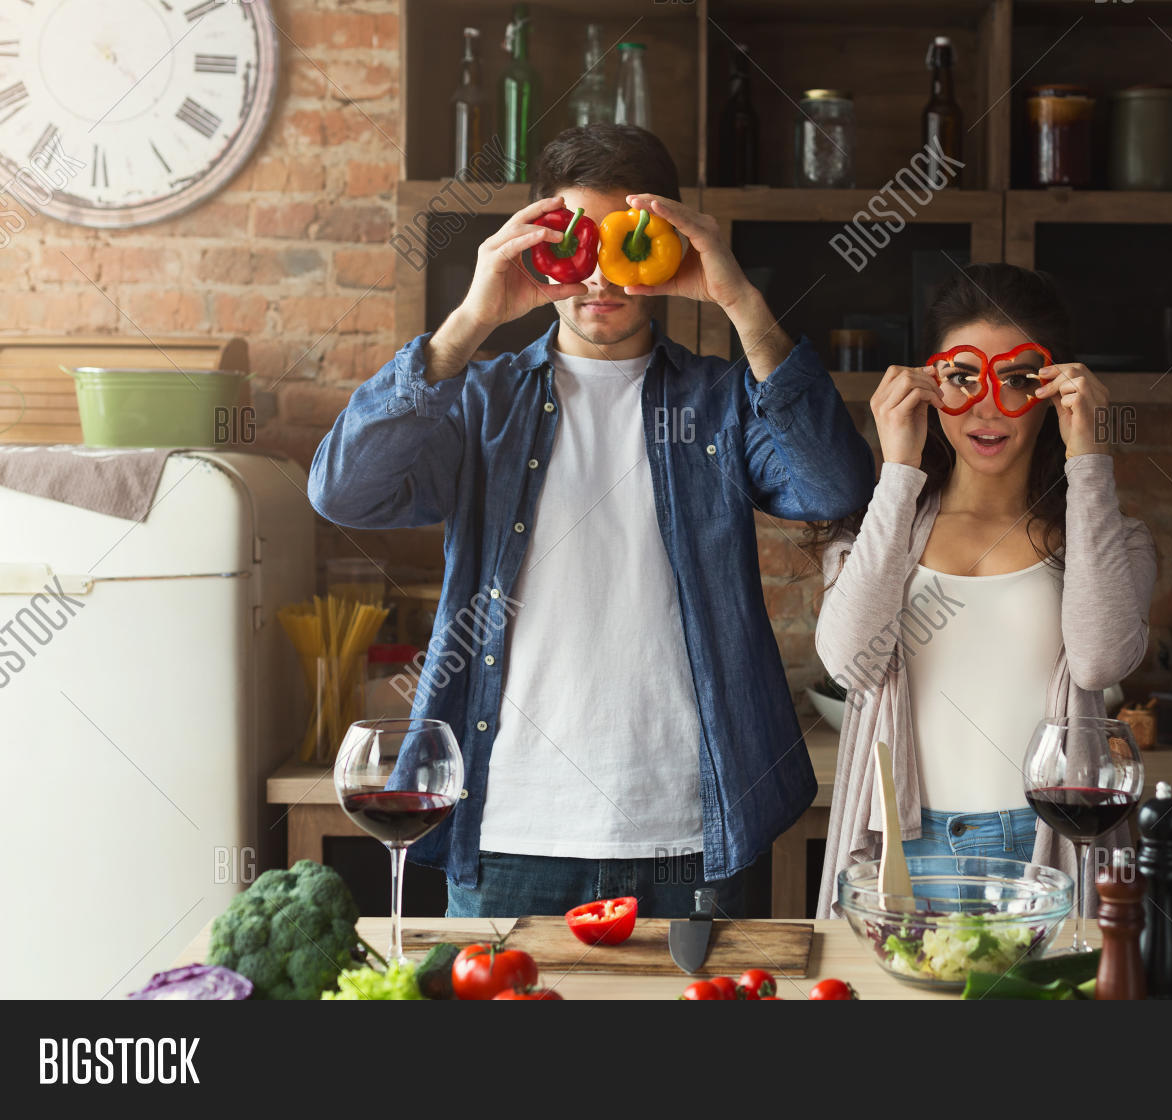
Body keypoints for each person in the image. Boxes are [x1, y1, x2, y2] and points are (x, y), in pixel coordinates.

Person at [309, 124, 875, 918]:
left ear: (667, 245)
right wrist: (471, 320)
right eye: (576, 242)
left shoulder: (717, 400)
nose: (598, 278)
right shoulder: (483, 399)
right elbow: (345, 493)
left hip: (691, 830)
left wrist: (742, 302)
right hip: (506, 824)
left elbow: (834, 486)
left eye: (621, 244)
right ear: (540, 244)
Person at [812, 263, 1155, 918]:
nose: (989, 406)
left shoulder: (1113, 542)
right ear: (929, 385)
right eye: (964, 378)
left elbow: (1101, 659)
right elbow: (849, 663)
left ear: (1055, 390)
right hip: (904, 849)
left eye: (1020, 379)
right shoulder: (877, 537)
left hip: (1051, 843)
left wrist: (1089, 455)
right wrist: (898, 469)